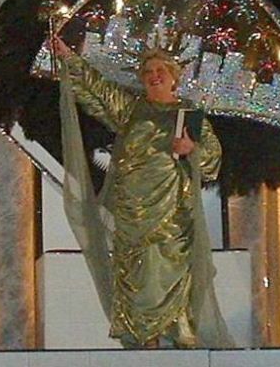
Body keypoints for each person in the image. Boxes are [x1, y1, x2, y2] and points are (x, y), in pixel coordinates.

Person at [54, 38, 233, 349]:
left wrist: (192, 150)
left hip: (172, 216)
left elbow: (212, 163)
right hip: (131, 215)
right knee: (137, 280)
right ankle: (145, 345)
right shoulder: (132, 109)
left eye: (160, 69)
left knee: (171, 274)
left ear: (174, 76)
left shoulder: (188, 117)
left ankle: (180, 340)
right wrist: (68, 57)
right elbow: (97, 88)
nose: (154, 75)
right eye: (148, 70)